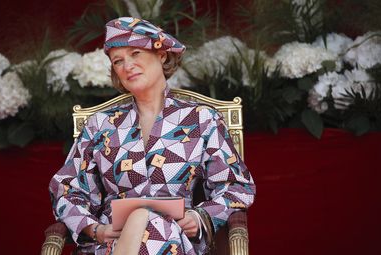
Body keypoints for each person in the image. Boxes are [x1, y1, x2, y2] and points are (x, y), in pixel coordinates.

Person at [49, 17, 255, 255]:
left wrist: (200, 217)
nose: (127, 66)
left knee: (153, 224)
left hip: (178, 242)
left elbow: (235, 186)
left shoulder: (202, 119)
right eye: (118, 61)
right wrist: (95, 229)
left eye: (135, 53)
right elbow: (67, 189)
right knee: (143, 221)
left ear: (162, 55)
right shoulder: (100, 125)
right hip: (110, 244)